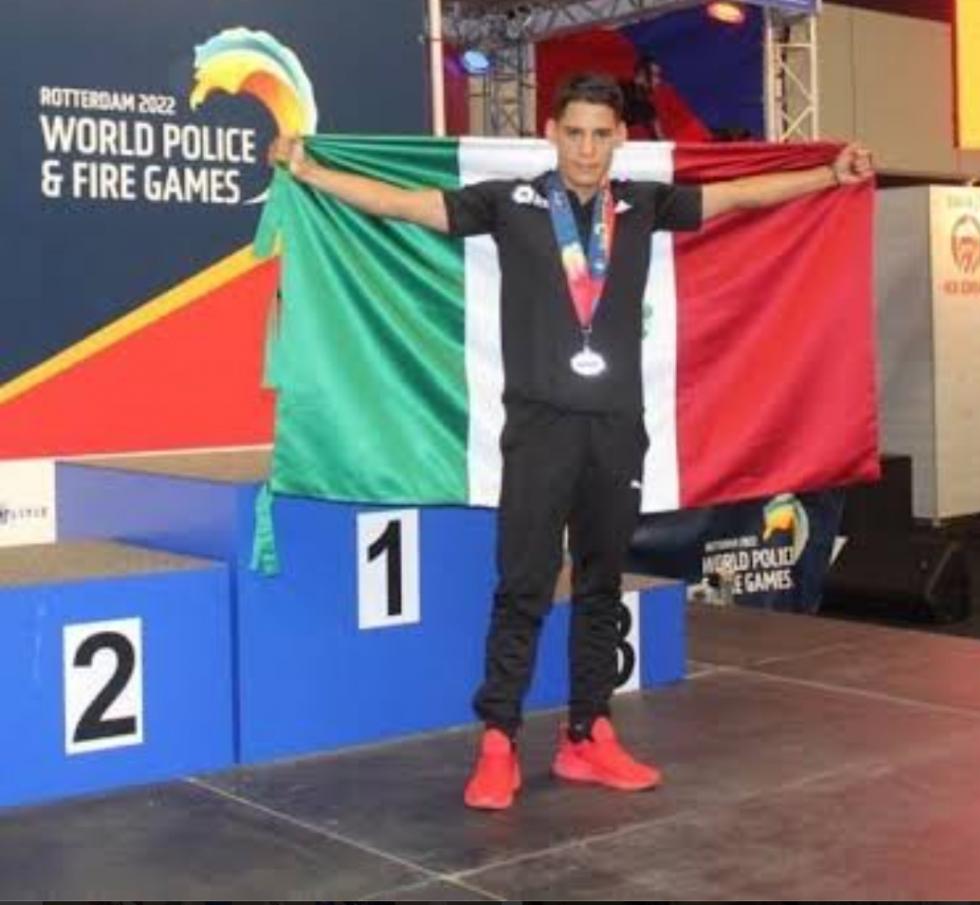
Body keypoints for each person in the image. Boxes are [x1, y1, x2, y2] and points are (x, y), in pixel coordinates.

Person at [269, 72, 874, 812]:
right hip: (539, 430)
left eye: (601, 135)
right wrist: (309, 172)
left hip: (617, 430)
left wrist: (828, 175)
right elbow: (405, 204)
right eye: (576, 133)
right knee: (523, 585)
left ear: (620, 139)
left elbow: (740, 197)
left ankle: (588, 734)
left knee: (600, 586)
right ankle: (498, 740)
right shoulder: (509, 202)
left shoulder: (642, 205)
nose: (588, 149)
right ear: (552, 134)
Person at [620, 56, 665, 140]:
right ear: (641, 75)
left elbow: (660, 140)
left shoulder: (648, 110)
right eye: (655, 75)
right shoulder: (617, 93)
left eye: (658, 77)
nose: (658, 81)